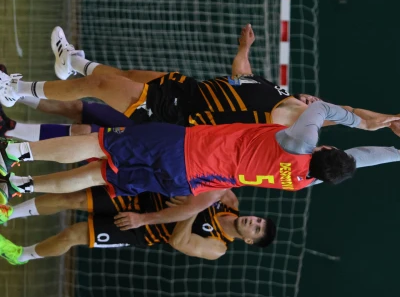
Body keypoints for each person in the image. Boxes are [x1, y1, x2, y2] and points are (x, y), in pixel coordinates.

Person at [0, 99, 397, 224]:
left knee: (98, 143)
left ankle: (17, 153)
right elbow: (362, 160)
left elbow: (322, 109)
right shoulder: (302, 181)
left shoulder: (301, 142)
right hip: (187, 183)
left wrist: (366, 122)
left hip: (184, 149)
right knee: (97, 174)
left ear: (325, 150)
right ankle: (21, 186)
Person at [1, 25, 399, 141]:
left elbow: (357, 118)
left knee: (101, 89)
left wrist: (389, 121)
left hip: (181, 113)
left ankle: (15, 91)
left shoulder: (291, 118)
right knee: (120, 75)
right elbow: (240, 75)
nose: (316, 101)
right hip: (187, 88)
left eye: (321, 108)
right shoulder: (280, 93)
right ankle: (73, 61)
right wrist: (244, 48)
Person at [0, 187, 276, 265]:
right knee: (73, 198)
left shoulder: (218, 247)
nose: (253, 221)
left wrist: (193, 207)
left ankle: (21, 255)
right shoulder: (229, 200)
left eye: (256, 229)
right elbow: (206, 176)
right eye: (258, 220)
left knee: (73, 234)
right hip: (144, 196)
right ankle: (9, 212)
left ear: (248, 240)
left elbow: (178, 242)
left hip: (141, 229)